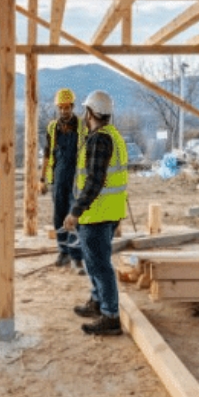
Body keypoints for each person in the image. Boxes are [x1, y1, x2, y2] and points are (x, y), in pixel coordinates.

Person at [62, 89, 128, 336]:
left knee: (99, 265)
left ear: (89, 112)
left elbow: (94, 181)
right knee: (94, 263)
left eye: (84, 111)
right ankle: (97, 301)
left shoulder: (100, 139)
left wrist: (75, 212)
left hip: (96, 214)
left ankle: (110, 315)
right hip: (107, 212)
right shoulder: (113, 135)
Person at [41, 87, 84, 270]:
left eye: (67, 107)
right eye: (61, 107)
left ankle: (76, 256)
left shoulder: (82, 126)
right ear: (58, 107)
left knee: (74, 216)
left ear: (72, 106)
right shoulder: (52, 127)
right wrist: (41, 179)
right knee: (59, 216)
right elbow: (47, 154)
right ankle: (63, 251)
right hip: (58, 178)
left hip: (76, 178)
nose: (64, 110)